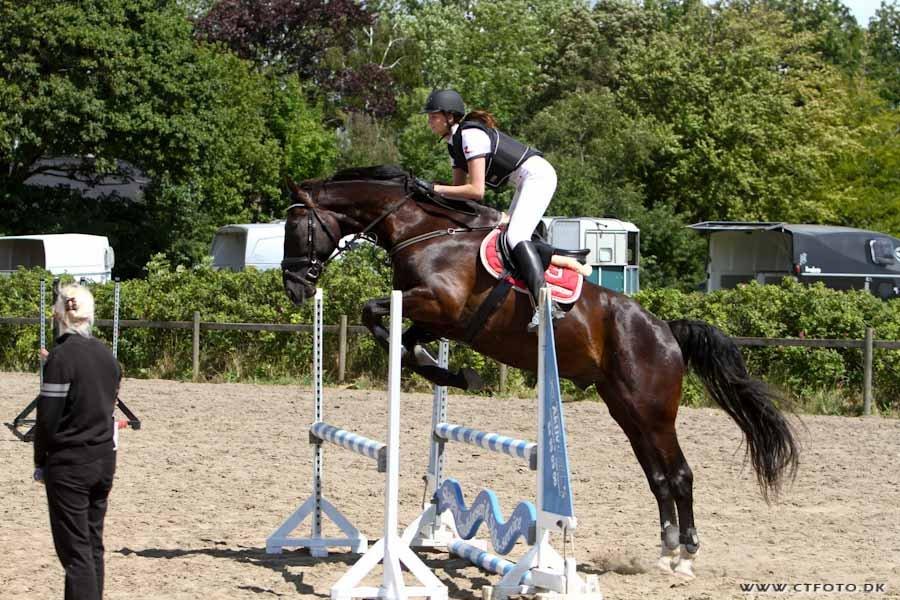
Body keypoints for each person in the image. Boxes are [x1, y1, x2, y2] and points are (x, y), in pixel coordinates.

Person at [416, 88, 563, 331]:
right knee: (505, 233)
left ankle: (545, 305)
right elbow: (458, 193)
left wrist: (434, 188)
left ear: (450, 116)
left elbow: (476, 191)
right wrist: (430, 196)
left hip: (538, 176)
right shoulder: (454, 145)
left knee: (515, 236)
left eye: (433, 116)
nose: (429, 121)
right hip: (525, 180)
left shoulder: (470, 135)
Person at [33, 283, 120, 600]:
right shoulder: (108, 358)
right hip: (103, 459)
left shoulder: (61, 358)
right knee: (93, 544)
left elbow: (47, 417)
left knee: (76, 554)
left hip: (70, 464)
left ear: (59, 314)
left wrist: (40, 459)